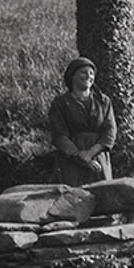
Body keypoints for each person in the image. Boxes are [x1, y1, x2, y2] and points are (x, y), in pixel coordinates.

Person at [47, 57, 117, 186]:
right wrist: (79, 155)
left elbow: (110, 131)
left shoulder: (103, 101)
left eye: (91, 73)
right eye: (83, 72)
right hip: (71, 160)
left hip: (99, 156)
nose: (88, 76)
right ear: (72, 76)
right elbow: (59, 135)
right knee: (74, 197)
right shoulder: (61, 103)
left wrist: (90, 154)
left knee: (103, 195)